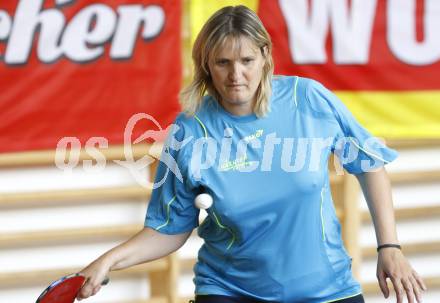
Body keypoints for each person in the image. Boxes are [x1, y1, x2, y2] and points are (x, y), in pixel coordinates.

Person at [77, 5, 427, 303]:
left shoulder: (308, 100)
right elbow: (169, 229)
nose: (236, 75)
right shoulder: (189, 132)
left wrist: (389, 247)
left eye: (246, 60)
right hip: (229, 289)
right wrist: (108, 261)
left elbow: (370, 164)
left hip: (326, 289)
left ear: (264, 57)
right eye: (223, 62)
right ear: (206, 65)